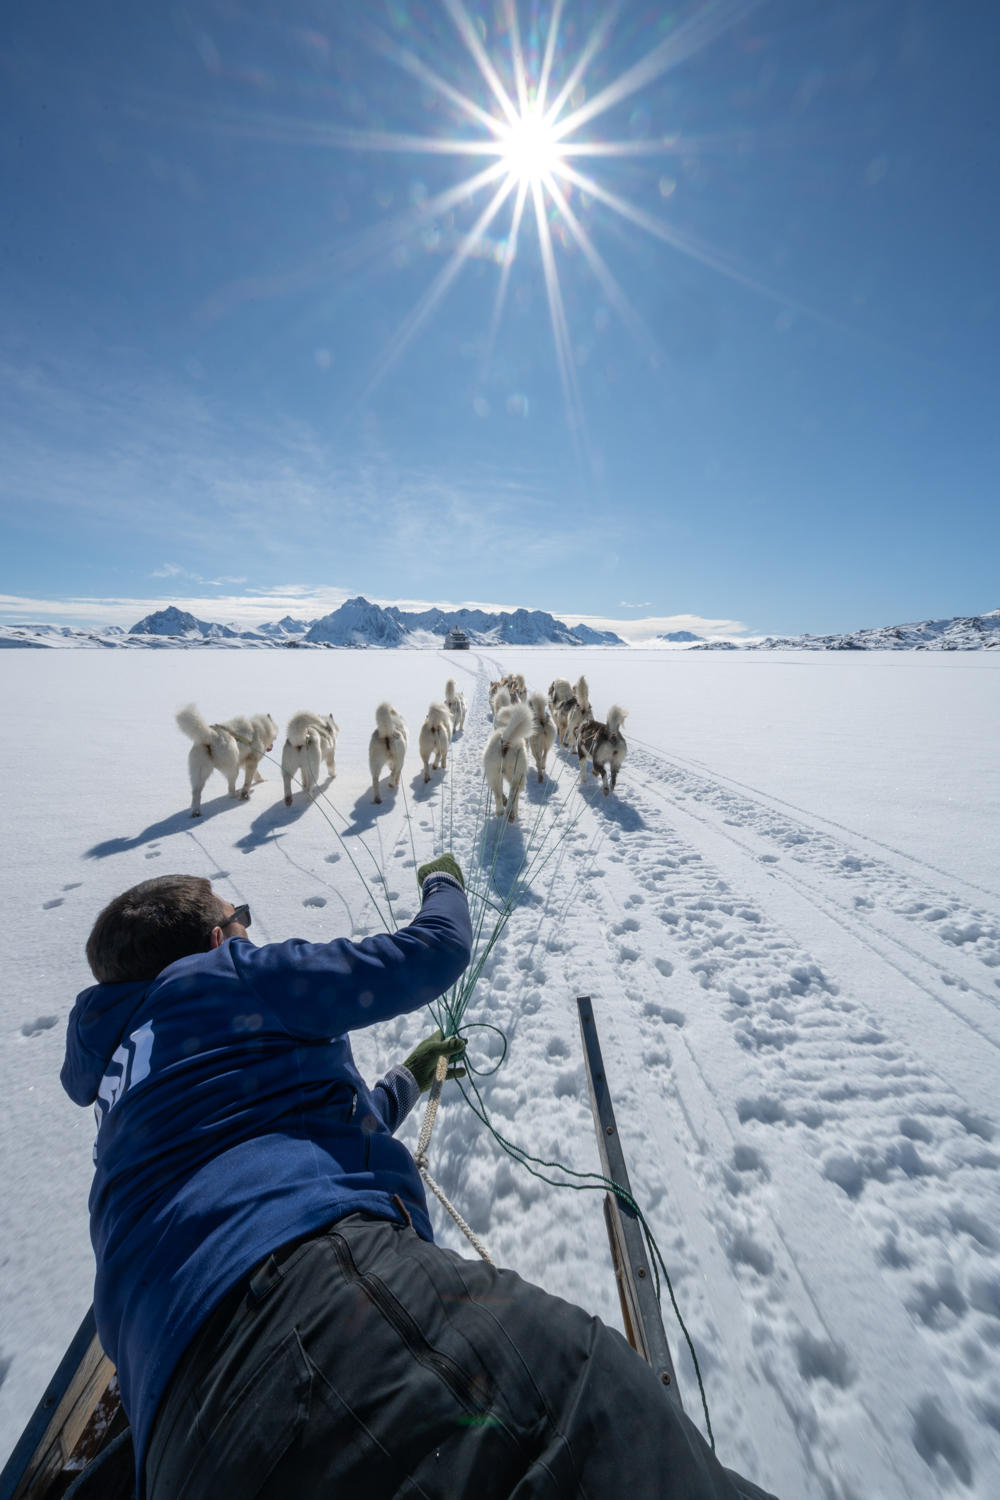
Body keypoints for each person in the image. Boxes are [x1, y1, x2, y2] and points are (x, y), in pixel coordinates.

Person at [62, 866, 777, 1500]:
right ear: (220, 938)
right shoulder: (229, 975)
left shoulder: (119, 1097)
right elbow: (438, 950)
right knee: (598, 1418)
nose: (250, 929)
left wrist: (409, 1075)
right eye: (240, 918)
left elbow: (283, 1138)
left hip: (178, 1443)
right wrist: (445, 885)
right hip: (322, 1316)